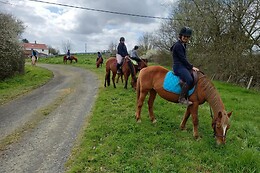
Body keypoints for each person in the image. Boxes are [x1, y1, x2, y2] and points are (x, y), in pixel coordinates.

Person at [171, 26, 199, 106]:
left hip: (182, 66)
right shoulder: (178, 45)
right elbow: (183, 59)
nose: (185, 38)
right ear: (181, 36)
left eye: (187, 37)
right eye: (184, 36)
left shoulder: (183, 45)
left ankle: (184, 87)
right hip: (178, 67)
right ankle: (181, 98)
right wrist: (191, 67)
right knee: (190, 80)